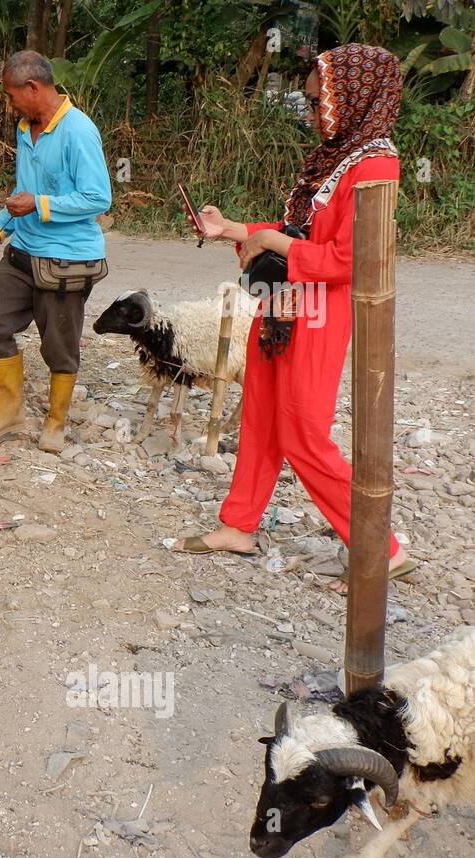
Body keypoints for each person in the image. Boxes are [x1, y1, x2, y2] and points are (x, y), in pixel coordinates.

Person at [173, 43, 416, 594]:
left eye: (316, 102)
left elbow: (357, 258)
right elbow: (301, 237)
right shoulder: (336, 156)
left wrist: (276, 240)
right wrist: (235, 229)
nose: (310, 114)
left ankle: (382, 547)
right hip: (284, 304)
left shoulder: (377, 163)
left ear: (352, 98)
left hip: (320, 312)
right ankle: (239, 526)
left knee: (303, 432)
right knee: (259, 414)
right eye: (309, 103)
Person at [0, 50, 112, 452]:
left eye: (13, 96)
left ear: (33, 88)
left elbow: (98, 198)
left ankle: (55, 421)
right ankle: (8, 412)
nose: (10, 104)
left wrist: (39, 204)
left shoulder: (78, 130)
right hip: (23, 252)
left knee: (59, 345)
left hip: (66, 259)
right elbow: (22, 191)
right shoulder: (24, 128)